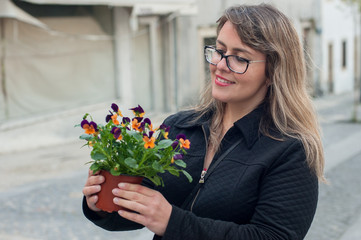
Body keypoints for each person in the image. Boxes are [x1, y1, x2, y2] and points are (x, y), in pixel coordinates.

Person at [82, 3, 325, 240]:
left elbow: (272, 235)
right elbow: (142, 211)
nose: (220, 65)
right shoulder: (180, 128)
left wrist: (172, 223)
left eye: (240, 58)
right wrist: (101, 204)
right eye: (219, 50)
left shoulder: (291, 150)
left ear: (274, 71)